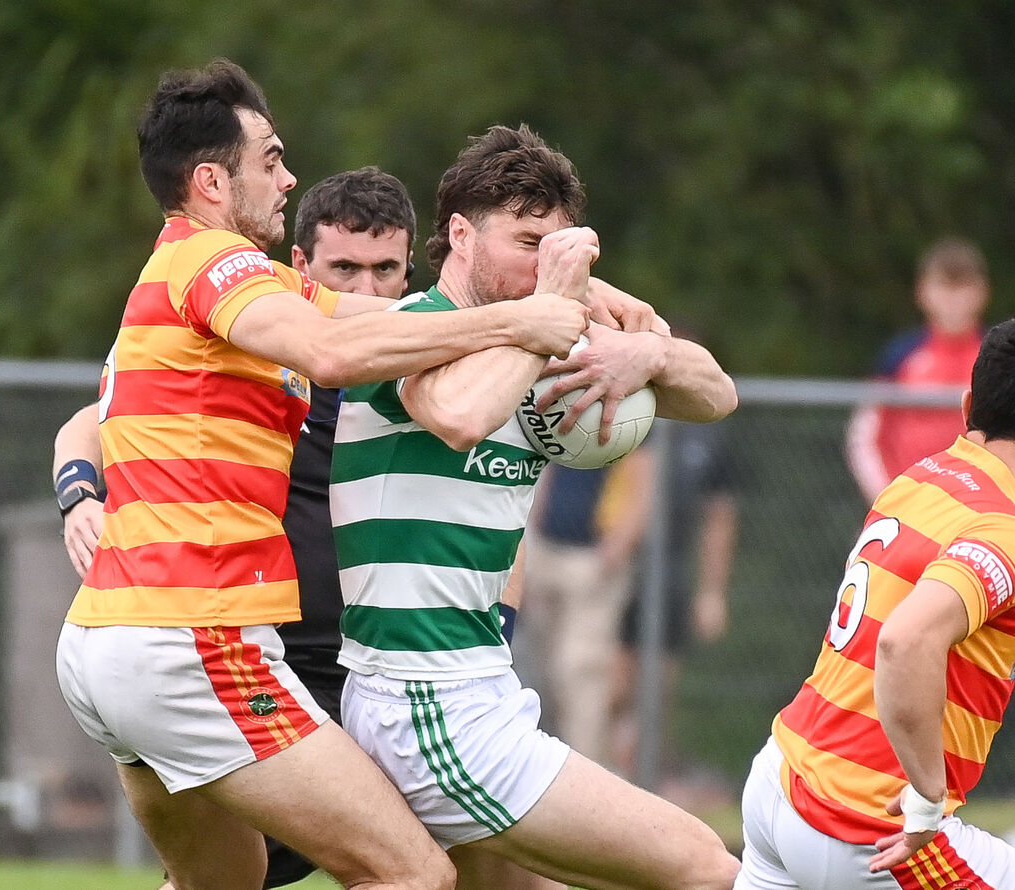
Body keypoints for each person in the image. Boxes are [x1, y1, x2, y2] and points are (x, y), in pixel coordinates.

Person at [52, 59, 599, 890]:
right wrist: (530, 321)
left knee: (220, 884)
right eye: (269, 159)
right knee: (414, 874)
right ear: (210, 181)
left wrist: (584, 303)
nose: (288, 174)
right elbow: (334, 352)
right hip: (195, 639)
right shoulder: (216, 263)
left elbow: (400, 320)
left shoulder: (206, 275)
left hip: (109, 643)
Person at [328, 123, 741, 890]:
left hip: (477, 689)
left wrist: (645, 353)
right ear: (459, 233)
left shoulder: (540, 335)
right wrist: (552, 310)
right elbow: (459, 415)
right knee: (708, 869)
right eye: (526, 241)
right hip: (426, 700)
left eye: (558, 245)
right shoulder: (411, 327)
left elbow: (718, 394)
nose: (544, 262)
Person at [735, 318, 1015, 889]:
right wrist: (928, 796)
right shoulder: (1003, 525)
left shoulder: (919, 479)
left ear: (967, 407)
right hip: (867, 827)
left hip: (779, 779)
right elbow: (905, 640)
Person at [605, 399, 739, 788]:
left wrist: (712, 593)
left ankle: (640, 776)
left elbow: (720, 521)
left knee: (658, 689)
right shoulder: (628, 421)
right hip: (619, 571)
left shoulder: (710, 440)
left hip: (671, 576)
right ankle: (608, 763)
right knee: (612, 685)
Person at [846, 238, 991, 502]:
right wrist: (889, 499)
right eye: (944, 287)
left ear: (982, 292)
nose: (952, 299)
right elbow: (865, 439)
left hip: (983, 510)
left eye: (962, 287)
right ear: (922, 291)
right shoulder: (900, 356)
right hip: (909, 507)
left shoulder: (998, 358)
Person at [517, 462, 639, 765]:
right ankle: (548, 765)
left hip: (592, 559)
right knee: (544, 671)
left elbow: (644, 482)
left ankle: (587, 767)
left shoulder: (632, 420)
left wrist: (615, 549)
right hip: (547, 552)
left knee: (579, 669)